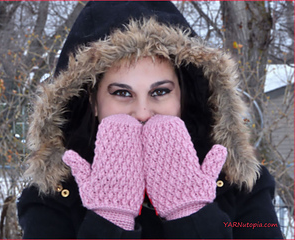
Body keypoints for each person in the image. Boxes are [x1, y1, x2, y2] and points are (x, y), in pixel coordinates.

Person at [17, 1, 283, 239]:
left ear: (183, 96)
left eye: (160, 92)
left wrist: (191, 214)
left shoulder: (241, 184)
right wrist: (110, 220)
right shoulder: (51, 196)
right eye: (122, 93)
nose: (143, 112)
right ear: (92, 102)